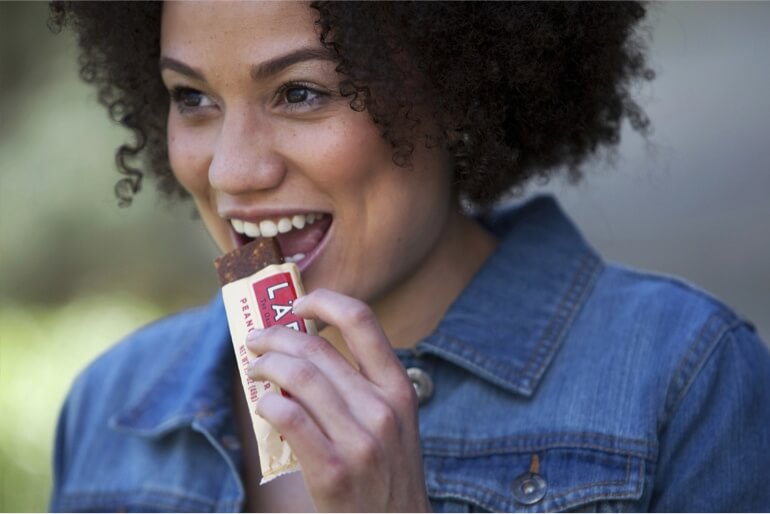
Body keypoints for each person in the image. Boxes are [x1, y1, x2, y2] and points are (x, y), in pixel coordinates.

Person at [48, 2, 770, 512]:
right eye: (193, 97)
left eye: (301, 92)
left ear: (458, 91)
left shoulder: (685, 383)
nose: (231, 171)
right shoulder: (113, 408)